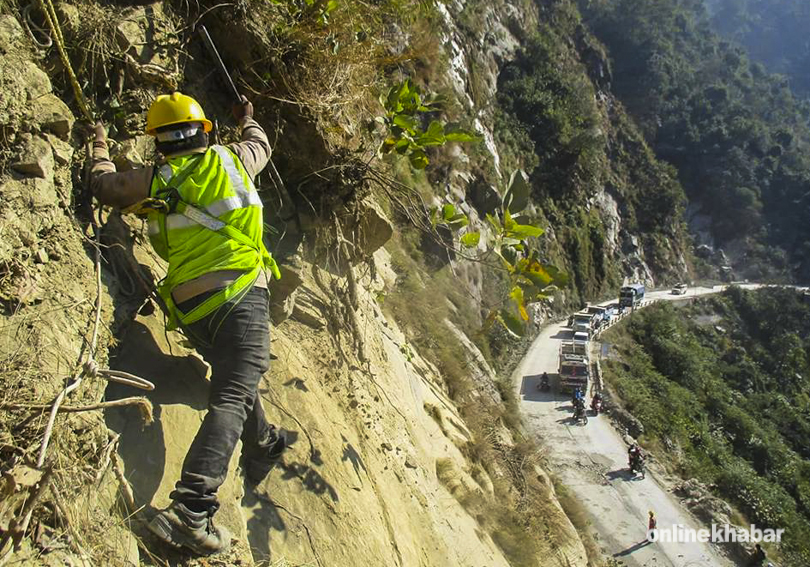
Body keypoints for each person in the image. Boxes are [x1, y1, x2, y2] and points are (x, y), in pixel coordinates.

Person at [91, 92, 286, 555]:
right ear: (206, 131)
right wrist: (247, 118)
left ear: (157, 142)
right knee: (234, 391)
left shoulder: (152, 180)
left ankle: (263, 444)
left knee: (236, 377)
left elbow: (104, 187)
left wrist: (97, 145)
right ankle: (190, 511)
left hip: (193, 312)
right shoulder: (233, 159)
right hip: (240, 292)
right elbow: (260, 145)